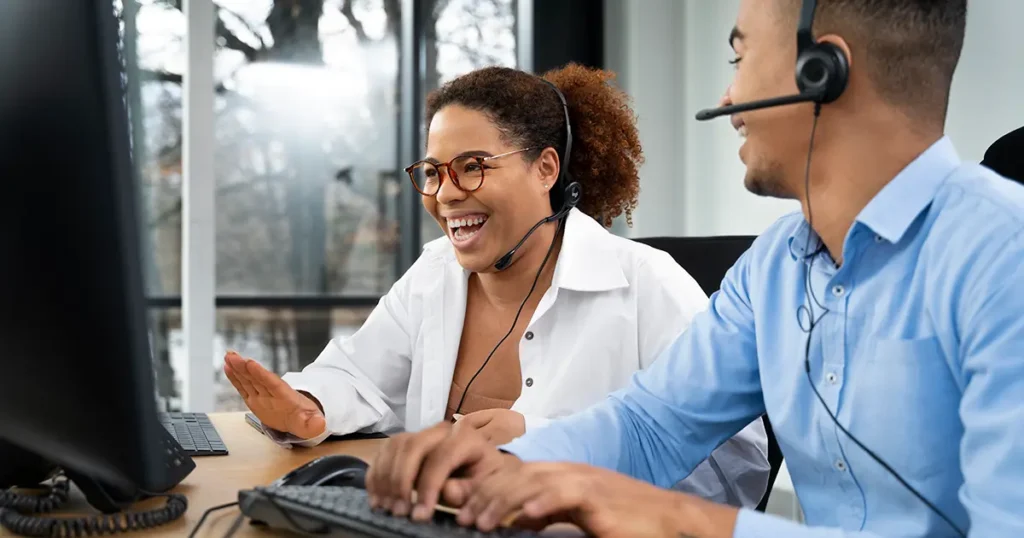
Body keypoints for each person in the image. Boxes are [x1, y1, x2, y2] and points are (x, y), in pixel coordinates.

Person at [363, 1, 1024, 537]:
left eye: (740, 58)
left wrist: (683, 518)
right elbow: (650, 426)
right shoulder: (774, 271)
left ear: (825, 70)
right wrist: (501, 462)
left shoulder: (1003, 256)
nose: (728, 94)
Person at [223, 63, 771, 508]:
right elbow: (361, 374)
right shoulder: (435, 271)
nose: (446, 193)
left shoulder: (647, 285)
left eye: (473, 166)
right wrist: (309, 405)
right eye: (434, 172)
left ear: (546, 169)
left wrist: (538, 443)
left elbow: (733, 475)